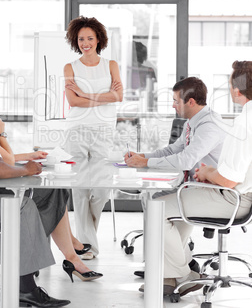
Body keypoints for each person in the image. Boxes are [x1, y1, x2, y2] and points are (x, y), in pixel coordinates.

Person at [0, 76, 101, 281]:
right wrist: (1, 135)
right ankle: (32, 275)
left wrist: (24, 159)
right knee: (28, 204)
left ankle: (59, 260)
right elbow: (4, 161)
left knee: (50, 194)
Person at [140, 60, 252, 296]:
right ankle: (167, 276)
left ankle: (184, 275)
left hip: (233, 198)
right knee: (170, 204)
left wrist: (207, 173)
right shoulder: (245, 117)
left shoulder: (244, 121)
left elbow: (229, 180)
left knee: (156, 207)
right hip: (236, 194)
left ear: (237, 88)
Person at [0, 87, 70, 307]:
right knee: (18, 205)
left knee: (10, 206)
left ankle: (19, 279)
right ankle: (27, 288)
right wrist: (28, 170)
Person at [125, 77, 227, 279]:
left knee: (156, 204)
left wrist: (145, 163)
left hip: (211, 191)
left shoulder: (210, 125)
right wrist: (143, 157)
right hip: (192, 186)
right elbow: (173, 150)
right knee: (153, 199)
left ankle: (181, 272)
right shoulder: (193, 122)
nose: (172, 105)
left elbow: (186, 160)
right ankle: (175, 265)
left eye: (175, 100)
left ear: (191, 102)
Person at [64, 16, 123, 258]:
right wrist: (104, 95)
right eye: (81, 39)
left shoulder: (111, 65)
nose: (85, 43)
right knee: (79, 188)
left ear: (99, 39)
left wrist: (87, 94)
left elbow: (118, 97)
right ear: (75, 41)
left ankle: (87, 241)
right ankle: (87, 247)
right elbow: (72, 101)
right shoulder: (70, 68)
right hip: (76, 130)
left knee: (100, 188)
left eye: (90, 38)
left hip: (104, 131)